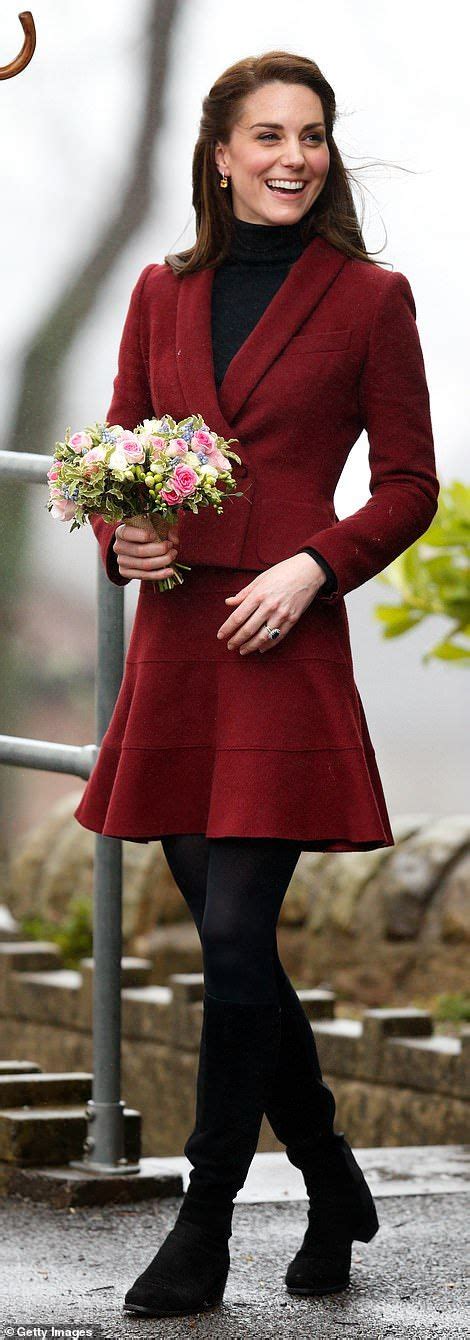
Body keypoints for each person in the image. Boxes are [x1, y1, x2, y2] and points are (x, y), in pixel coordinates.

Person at [74, 51, 439, 1319]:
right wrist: (127, 536)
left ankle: (205, 1217)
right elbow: (122, 449)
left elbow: (406, 486)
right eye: (268, 134)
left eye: (314, 135)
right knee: (237, 957)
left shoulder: (368, 297)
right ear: (219, 154)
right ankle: (332, 1171)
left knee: (233, 936)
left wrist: (311, 564)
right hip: (181, 643)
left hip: (281, 639)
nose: (293, 155)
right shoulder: (159, 291)